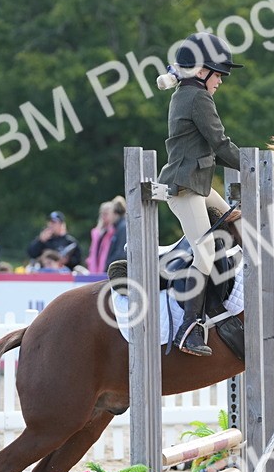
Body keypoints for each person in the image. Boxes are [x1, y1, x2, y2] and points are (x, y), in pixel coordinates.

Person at [147, 32, 245, 356]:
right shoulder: (199, 98)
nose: (221, 82)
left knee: (234, 219)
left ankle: (233, 294)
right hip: (186, 188)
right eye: (219, 75)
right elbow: (220, 143)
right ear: (202, 72)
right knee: (204, 253)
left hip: (199, 184)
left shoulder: (182, 93)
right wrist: (255, 166)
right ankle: (188, 329)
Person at [85, 201, 119, 274]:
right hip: (94, 268)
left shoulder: (114, 231)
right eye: (102, 213)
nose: (104, 216)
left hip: (106, 268)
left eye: (106, 214)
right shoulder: (97, 232)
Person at [105, 196, 128, 271]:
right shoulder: (120, 227)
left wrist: (109, 265)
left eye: (110, 213)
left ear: (115, 213)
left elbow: (121, 253)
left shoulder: (122, 228)